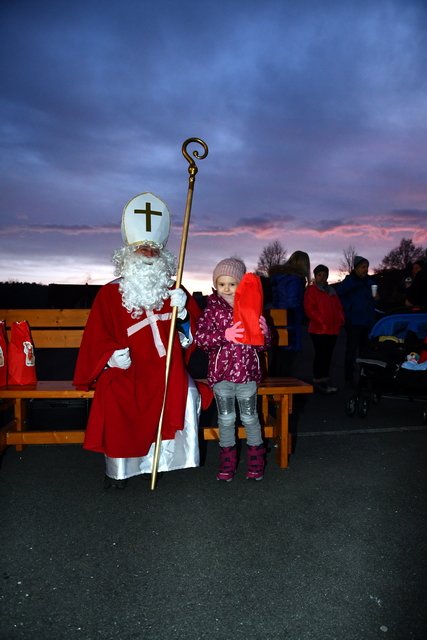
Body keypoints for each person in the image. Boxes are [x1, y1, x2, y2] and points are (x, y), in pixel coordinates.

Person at [73, 192, 203, 489]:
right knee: (115, 391)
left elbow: (192, 337)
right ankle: (119, 472)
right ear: (127, 254)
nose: (148, 253)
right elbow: (96, 338)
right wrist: (109, 357)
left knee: (187, 391)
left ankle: (168, 462)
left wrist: (183, 312)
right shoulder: (109, 293)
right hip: (128, 368)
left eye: (153, 249)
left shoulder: (174, 289)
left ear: (163, 257)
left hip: (165, 366)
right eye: (141, 249)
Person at [194, 257, 271, 482]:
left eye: (232, 284)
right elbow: (201, 339)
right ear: (215, 285)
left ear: (241, 285)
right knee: (226, 419)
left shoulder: (251, 308)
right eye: (221, 284)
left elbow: (263, 345)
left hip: (246, 374)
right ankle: (228, 462)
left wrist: (265, 333)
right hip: (221, 377)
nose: (226, 289)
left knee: (249, 417)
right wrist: (223, 336)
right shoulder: (212, 310)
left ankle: (256, 460)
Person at [336, 255, 378, 383]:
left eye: (367, 267)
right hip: (354, 322)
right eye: (363, 267)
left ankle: (364, 377)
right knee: (351, 351)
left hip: (367, 321)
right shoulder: (349, 282)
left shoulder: (370, 282)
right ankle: (349, 379)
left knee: (365, 352)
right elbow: (339, 298)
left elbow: (373, 300)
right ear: (356, 268)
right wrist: (349, 311)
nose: (366, 269)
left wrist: (376, 298)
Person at [304, 264, 345, 393]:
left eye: (324, 275)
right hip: (318, 329)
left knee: (328, 356)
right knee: (321, 355)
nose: (322, 277)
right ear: (315, 276)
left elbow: (338, 308)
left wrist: (340, 320)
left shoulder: (331, 291)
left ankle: (324, 381)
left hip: (332, 330)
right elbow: (310, 309)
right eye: (319, 275)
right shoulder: (311, 290)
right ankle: (318, 381)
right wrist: (322, 321)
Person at [268, 250, 310, 375]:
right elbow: (293, 303)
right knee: (287, 361)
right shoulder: (295, 279)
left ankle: (272, 389)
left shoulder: (278, 278)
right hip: (289, 323)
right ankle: (283, 390)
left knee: (277, 359)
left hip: (276, 321)